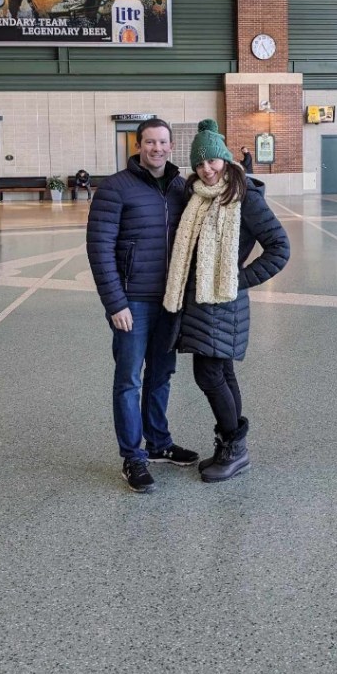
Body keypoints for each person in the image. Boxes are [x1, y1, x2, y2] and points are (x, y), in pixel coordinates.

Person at [163, 119, 290, 484]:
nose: (207, 169)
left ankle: (234, 447)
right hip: (201, 303)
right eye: (200, 164)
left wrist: (238, 281)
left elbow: (280, 248)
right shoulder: (198, 195)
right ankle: (230, 447)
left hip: (222, 301)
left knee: (209, 373)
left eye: (213, 161)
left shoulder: (243, 196)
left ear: (226, 159)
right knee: (222, 372)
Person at [86, 118, 198, 494]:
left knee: (161, 376)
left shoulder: (181, 188)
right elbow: (99, 249)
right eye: (150, 142)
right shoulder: (115, 188)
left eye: (163, 142)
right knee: (129, 380)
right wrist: (115, 302)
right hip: (132, 301)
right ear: (138, 145)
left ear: (171, 145)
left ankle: (159, 443)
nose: (157, 148)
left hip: (170, 301)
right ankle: (132, 456)